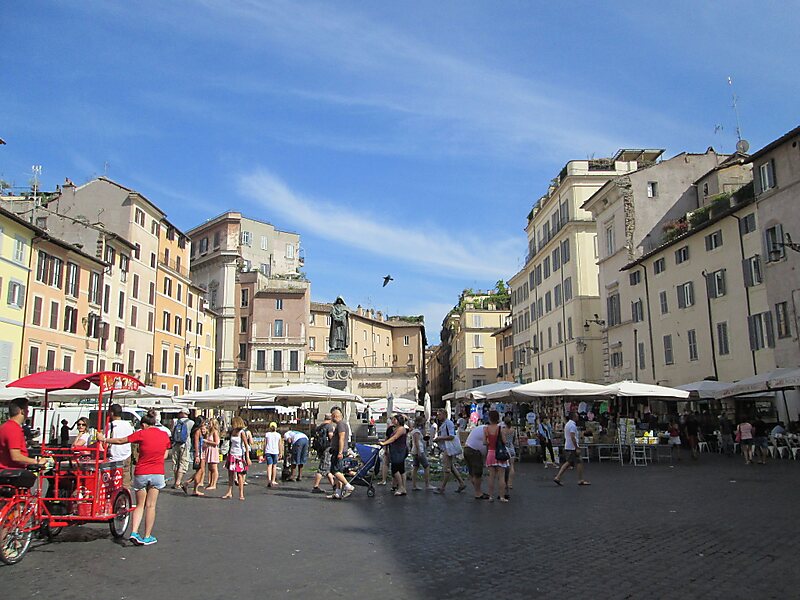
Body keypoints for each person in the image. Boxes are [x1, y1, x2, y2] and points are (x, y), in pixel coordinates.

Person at [98, 409, 170, 546]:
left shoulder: (141, 433)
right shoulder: (164, 435)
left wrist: (104, 439)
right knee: (151, 506)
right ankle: (147, 536)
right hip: (157, 473)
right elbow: (165, 455)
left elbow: (121, 440)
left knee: (140, 505)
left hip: (142, 472)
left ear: (143, 425)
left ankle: (134, 532)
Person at [0, 398, 48, 469]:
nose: (28, 411)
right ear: (22, 411)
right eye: (27, 409)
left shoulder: (4, 426)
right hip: (12, 471)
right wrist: (37, 461)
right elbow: (16, 457)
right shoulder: (14, 429)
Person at [433, 408, 466, 494]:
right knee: (451, 467)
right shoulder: (444, 423)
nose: (438, 416)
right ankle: (461, 483)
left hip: (448, 448)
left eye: (439, 414)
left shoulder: (449, 423)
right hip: (446, 448)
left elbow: (451, 436)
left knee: (446, 468)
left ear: (444, 414)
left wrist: (440, 438)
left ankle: (442, 487)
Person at [553, 411, 590, 487]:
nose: (578, 416)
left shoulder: (568, 424)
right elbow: (573, 437)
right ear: (574, 417)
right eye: (576, 415)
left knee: (570, 462)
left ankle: (558, 477)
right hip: (572, 447)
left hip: (569, 446)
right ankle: (579, 480)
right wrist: (577, 447)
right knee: (576, 462)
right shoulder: (572, 425)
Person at [327, 407, 355, 500]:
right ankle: (338, 492)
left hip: (339, 451)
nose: (331, 418)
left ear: (335, 416)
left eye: (332, 416)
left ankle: (348, 486)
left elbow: (341, 438)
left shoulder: (340, 425)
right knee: (338, 472)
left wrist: (340, 452)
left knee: (335, 471)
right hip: (338, 450)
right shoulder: (341, 424)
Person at [105, 404, 134, 489]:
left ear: (112, 413)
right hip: (127, 454)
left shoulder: (110, 425)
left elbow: (105, 440)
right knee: (126, 481)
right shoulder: (128, 424)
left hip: (114, 455)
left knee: (113, 480)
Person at [379, 414, 409, 496]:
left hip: (399, 451)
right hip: (395, 450)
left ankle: (401, 487)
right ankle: (403, 488)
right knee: (401, 469)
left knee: (395, 469)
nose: (393, 420)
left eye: (395, 419)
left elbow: (394, 438)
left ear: (399, 421)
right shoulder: (394, 428)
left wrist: (384, 443)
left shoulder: (402, 429)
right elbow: (389, 437)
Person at [222, 417, 250, 500]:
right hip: (232, 454)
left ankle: (241, 493)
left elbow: (246, 445)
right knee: (230, 474)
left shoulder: (242, 432)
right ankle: (229, 492)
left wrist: (247, 457)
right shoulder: (232, 431)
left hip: (239, 455)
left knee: (240, 475)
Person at [484, 411, 508, 502]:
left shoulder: (486, 429)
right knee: (501, 476)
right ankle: (502, 496)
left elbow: (484, 442)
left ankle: (490, 496)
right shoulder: (500, 429)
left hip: (490, 453)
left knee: (491, 476)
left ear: (489, 418)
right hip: (499, 453)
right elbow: (505, 441)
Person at [170, 410, 194, 490]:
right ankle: (178, 482)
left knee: (175, 463)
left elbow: (172, 432)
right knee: (183, 463)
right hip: (185, 444)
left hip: (175, 444)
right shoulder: (191, 422)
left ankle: (175, 482)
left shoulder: (175, 421)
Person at [463, 423, 488, 500]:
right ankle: (478, 493)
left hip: (467, 449)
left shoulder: (481, 428)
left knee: (472, 472)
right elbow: (487, 444)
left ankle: (478, 491)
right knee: (477, 473)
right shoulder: (487, 430)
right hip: (473, 451)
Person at [311, 415, 335, 494]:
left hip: (320, 448)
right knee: (322, 468)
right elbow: (331, 436)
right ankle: (316, 486)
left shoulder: (319, 427)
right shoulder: (329, 426)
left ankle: (333, 485)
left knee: (327, 467)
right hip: (327, 448)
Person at [182, 417, 206, 495]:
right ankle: (195, 489)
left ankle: (187, 483)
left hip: (199, 451)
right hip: (198, 452)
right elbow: (196, 443)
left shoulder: (197, 430)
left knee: (200, 470)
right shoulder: (197, 431)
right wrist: (197, 455)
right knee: (199, 470)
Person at [410, 415, 434, 491]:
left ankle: (414, 485)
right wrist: (419, 451)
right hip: (419, 450)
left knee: (415, 467)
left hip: (415, 451)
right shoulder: (416, 432)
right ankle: (427, 484)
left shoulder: (416, 431)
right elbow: (416, 442)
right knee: (426, 466)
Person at [264, 422, 283, 488]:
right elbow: (280, 444)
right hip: (275, 452)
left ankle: (269, 480)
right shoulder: (278, 435)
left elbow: (265, 444)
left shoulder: (267, 434)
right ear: (276, 428)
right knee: (274, 466)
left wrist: (264, 452)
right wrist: (281, 452)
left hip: (268, 451)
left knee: (269, 466)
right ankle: (273, 480)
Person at [501, 414, 517, 492]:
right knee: (512, 466)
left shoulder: (503, 430)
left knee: (504, 467)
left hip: (505, 449)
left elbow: (503, 441)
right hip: (511, 448)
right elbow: (514, 440)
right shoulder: (513, 430)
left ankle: (505, 482)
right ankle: (510, 483)